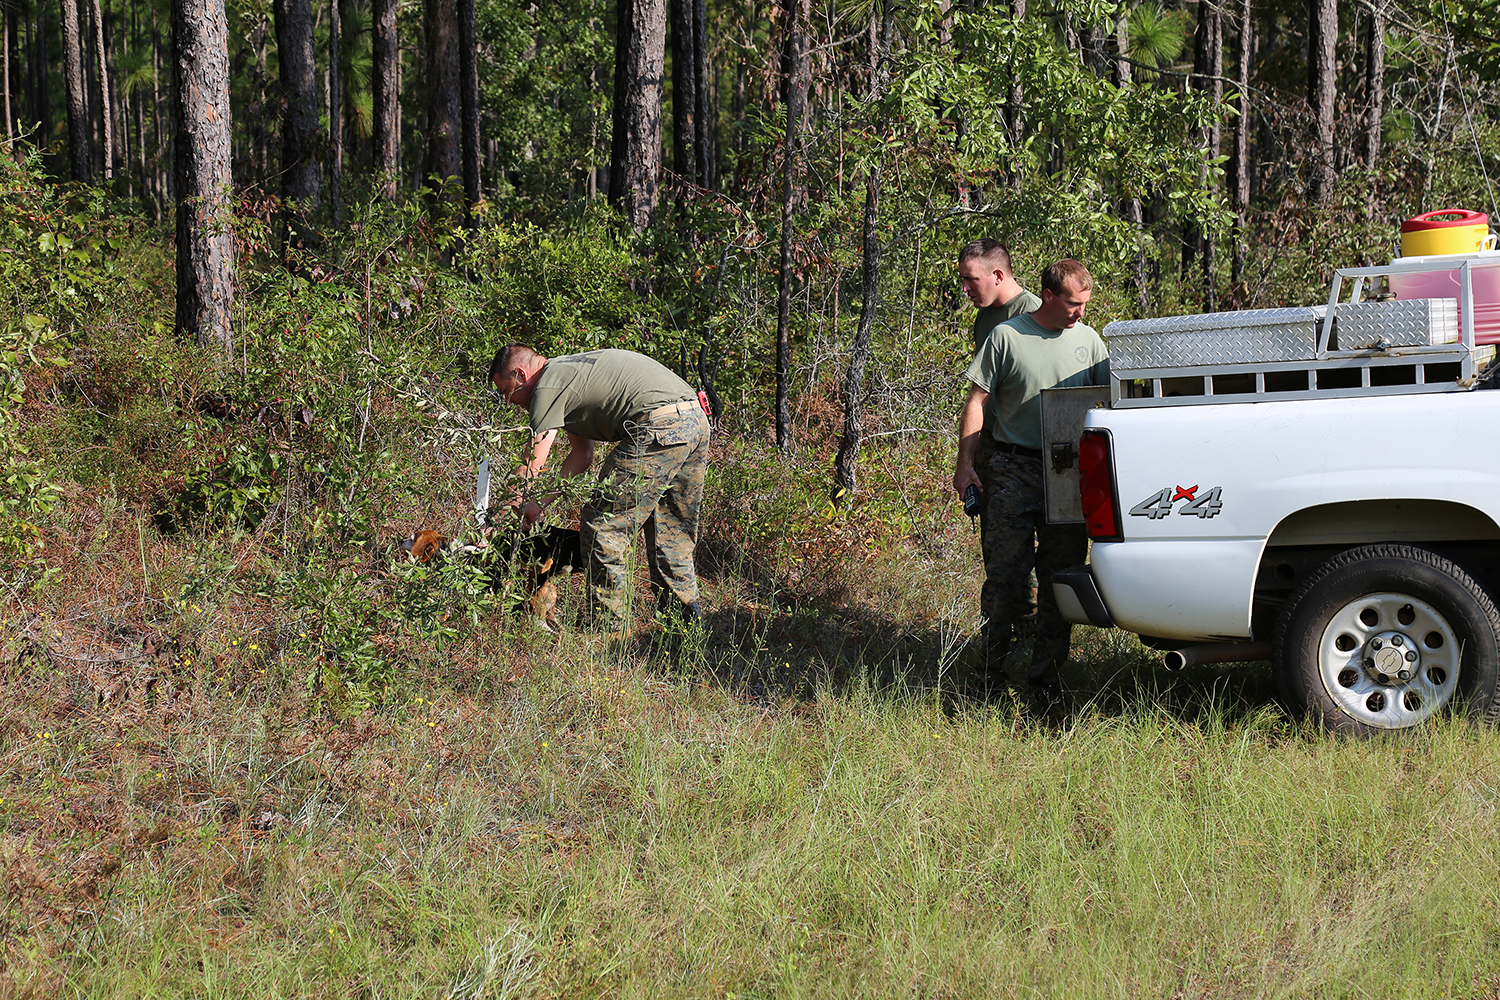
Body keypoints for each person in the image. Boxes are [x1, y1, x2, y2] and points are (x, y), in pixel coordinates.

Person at [952, 259, 1110, 702]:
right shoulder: (1008, 337)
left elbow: (1107, 408)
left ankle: (1044, 683)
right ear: (1049, 296)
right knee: (1006, 578)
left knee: (1061, 579)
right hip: (1011, 469)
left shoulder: (1090, 343)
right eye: (1073, 304)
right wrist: (966, 464)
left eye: (1085, 304)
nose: (1080, 312)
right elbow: (976, 401)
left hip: (1068, 472)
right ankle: (988, 679)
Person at [490, 343, 711, 632]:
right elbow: (582, 457)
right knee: (670, 537)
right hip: (694, 419)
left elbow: (532, 464)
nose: (509, 401)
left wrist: (497, 516)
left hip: (658, 426)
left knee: (601, 527)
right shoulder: (567, 376)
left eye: (507, 391)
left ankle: (609, 632)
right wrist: (538, 504)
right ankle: (686, 633)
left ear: (521, 373)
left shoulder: (545, 387)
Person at [957, 238, 1042, 356]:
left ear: (998, 276)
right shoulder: (984, 313)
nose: (965, 288)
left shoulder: (1035, 313)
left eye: (972, 279)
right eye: (963, 279)